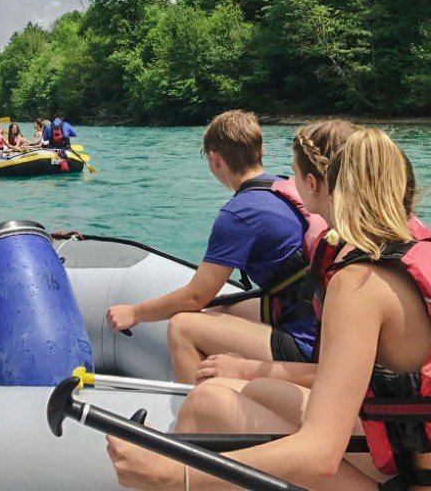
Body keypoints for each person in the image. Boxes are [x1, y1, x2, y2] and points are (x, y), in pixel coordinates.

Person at [108, 128, 431, 489]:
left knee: (206, 404)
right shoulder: (408, 253)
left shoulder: (357, 282)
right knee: (250, 387)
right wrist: (248, 369)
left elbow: (319, 455)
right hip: (406, 452)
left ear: (327, 188)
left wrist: (174, 473)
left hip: (407, 479)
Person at [106, 110, 323, 383]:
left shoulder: (239, 213)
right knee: (214, 314)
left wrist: (134, 313)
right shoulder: (282, 186)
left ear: (214, 159)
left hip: (306, 342)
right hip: (316, 320)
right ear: (261, 150)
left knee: (183, 326)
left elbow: (196, 296)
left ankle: (198, 414)